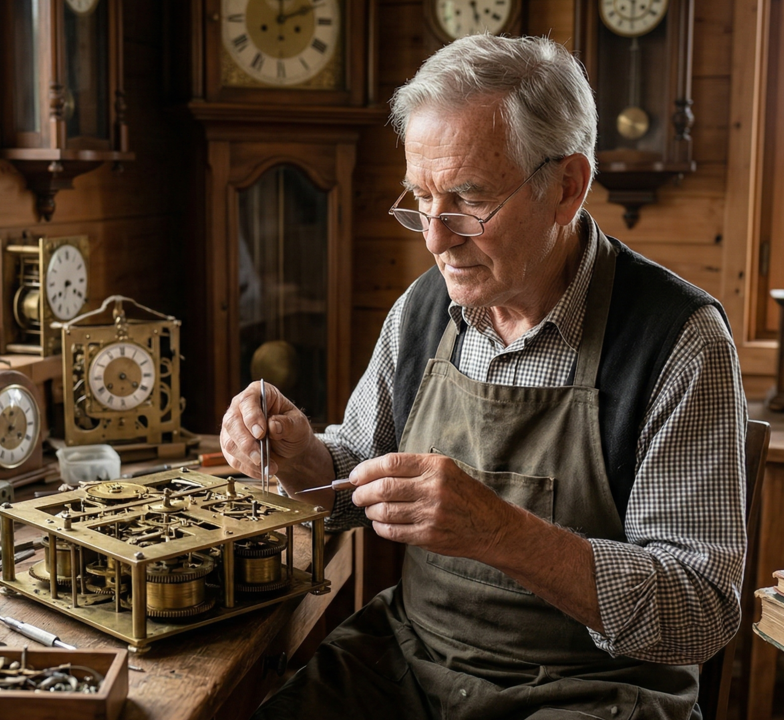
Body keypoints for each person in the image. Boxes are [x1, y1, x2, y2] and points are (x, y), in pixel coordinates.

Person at [220, 34, 747, 720]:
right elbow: (356, 477)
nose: (436, 238)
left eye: (467, 201)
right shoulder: (422, 311)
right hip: (409, 663)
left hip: (593, 692)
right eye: (420, 200)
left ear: (566, 188)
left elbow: (700, 609)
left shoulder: (676, 340)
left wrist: (502, 534)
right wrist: (301, 460)